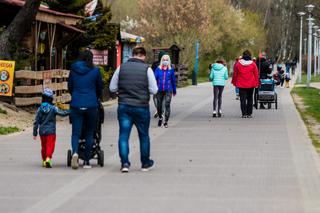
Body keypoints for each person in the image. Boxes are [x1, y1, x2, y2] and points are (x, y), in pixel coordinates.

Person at [109, 46, 158, 173]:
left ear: (132, 54)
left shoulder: (121, 68)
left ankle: (125, 163)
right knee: (144, 135)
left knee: (124, 136)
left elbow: (112, 88)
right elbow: (154, 90)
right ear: (144, 56)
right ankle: (145, 163)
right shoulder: (147, 69)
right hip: (141, 107)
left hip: (124, 106)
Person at [68, 50, 103, 169]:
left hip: (76, 103)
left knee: (76, 132)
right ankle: (87, 161)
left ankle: (75, 153)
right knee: (89, 132)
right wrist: (96, 97)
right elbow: (99, 87)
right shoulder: (96, 70)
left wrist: (75, 95)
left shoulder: (73, 70)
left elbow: (70, 87)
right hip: (91, 104)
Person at [33, 88, 70, 168]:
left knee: (43, 146)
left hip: (42, 131)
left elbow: (36, 121)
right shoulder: (53, 108)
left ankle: (44, 160)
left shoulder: (39, 109)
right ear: (51, 99)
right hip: (51, 131)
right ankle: (48, 158)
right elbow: (62, 113)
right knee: (50, 145)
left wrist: (35, 132)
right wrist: (70, 111)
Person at [232, 50, 259, 118]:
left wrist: (234, 82)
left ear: (243, 55)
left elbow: (235, 74)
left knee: (242, 99)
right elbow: (256, 74)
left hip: (241, 84)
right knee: (250, 98)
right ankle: (249, 114)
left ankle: (244, 114)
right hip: (251, 84)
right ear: (250, 56)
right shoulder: (253, 64)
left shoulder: (238, 63)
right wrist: (257, 83)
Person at [154, 54, 177, 127]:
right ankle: (160, 117)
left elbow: (173, 81)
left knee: (167, 104)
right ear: (161, 61)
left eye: (167, 60)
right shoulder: (158, 69)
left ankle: (166, 121)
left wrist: (174, 90)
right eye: (164, 60)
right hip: (159, 89)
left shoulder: (171, 70)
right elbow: (154, 79)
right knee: (159, 106)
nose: (165, 61)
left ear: (169, 61)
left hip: (168, 89)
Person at [151, 50, 167, 118]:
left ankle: (158, 110)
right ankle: (161, 111)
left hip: (156, 83)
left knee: (155, 97)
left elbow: (151, 73)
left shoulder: (155, 64)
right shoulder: (168, 64)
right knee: (164, 98)